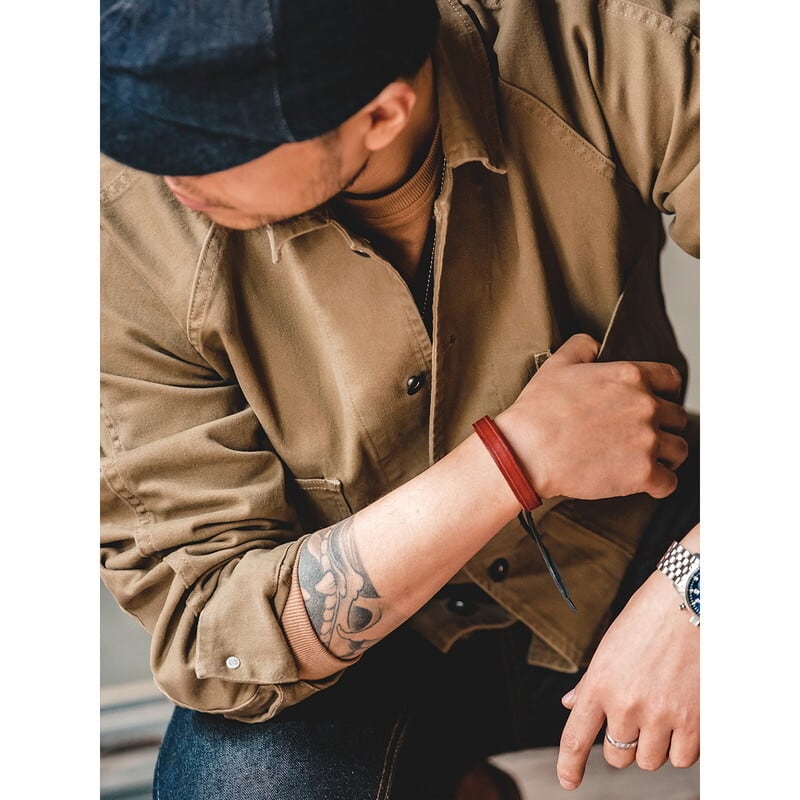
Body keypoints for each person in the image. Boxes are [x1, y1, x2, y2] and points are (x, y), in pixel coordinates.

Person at [100, 1, 700, 797]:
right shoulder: (124, 218)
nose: (170, 179)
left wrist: (703, 590)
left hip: (633, 524)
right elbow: (213, 622)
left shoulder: (609, 36)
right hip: (365, 632)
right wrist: (515, 461)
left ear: (383, 113)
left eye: (206, 147)